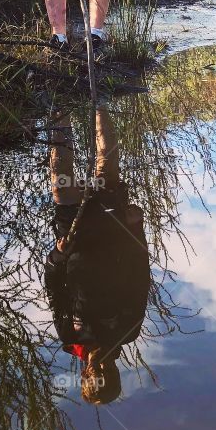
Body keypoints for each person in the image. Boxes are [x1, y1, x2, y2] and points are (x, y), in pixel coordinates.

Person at [43, 106, 151, 406]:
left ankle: (60, 107)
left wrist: (58, 256)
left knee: (61, 180)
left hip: (74, 237)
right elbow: (140, 276)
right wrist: (136, 228)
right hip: (112, 229)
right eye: (108, 372)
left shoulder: (69, 335)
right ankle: (99, 99)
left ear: (85, 375)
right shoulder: (127, 330)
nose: (101, 366)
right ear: (116, 371)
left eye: (96, 374)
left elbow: (53, 288)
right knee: (107, 168)